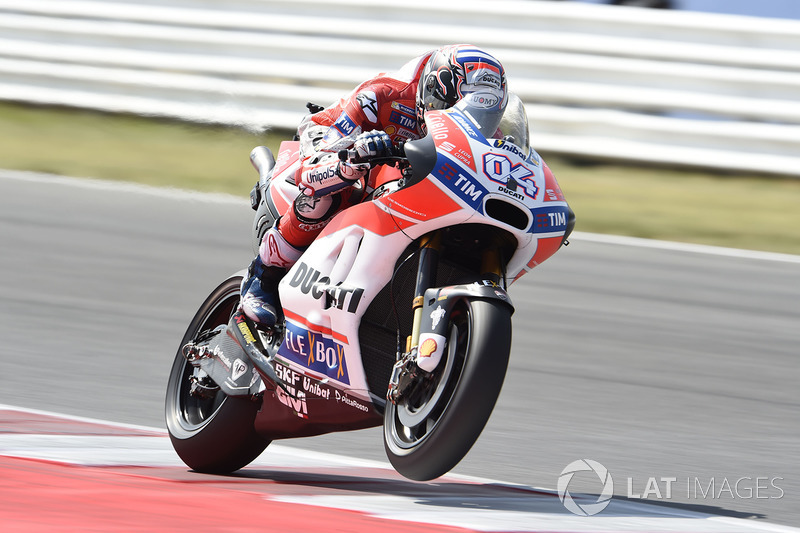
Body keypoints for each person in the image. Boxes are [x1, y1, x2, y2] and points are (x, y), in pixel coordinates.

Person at [241, 44, 508, 326]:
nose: (475, 122)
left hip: (401, 168)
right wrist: (353, 156)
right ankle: (264, 275)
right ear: (435, 92)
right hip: (331, 141)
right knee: (336, 188)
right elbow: (317, 164)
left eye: (485, 116)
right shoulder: (382, 95)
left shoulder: (485, 135)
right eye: (459, 110)